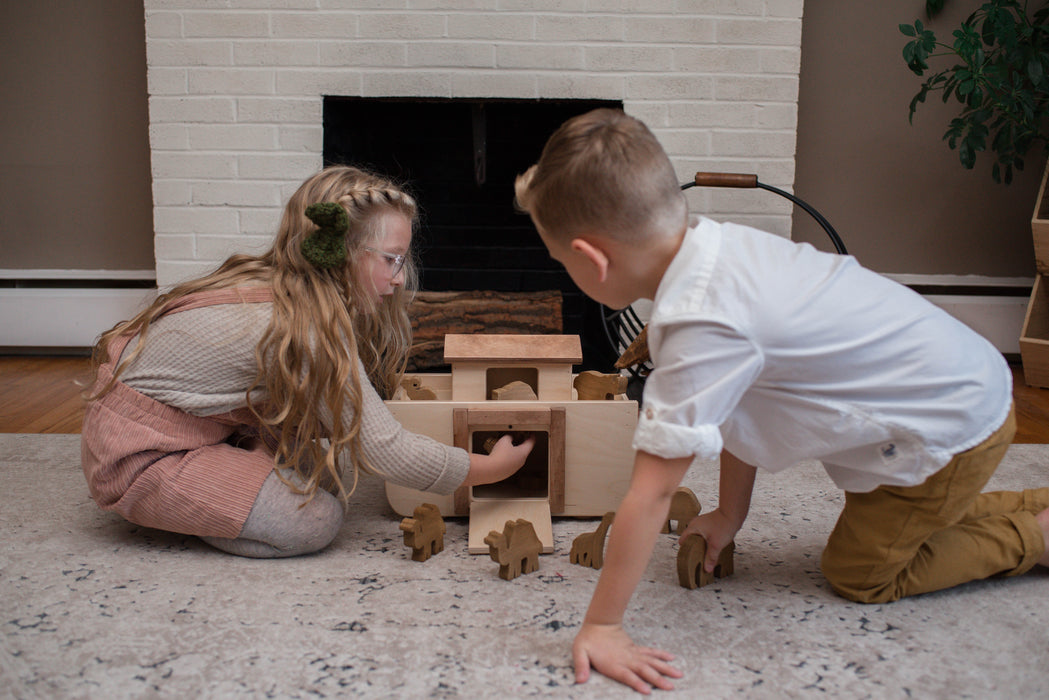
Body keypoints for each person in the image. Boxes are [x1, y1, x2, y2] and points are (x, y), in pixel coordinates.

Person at [514, 108, 1049, 694]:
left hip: (951, 425)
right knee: (911, 514)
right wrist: (731, 513)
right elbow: (740, 406)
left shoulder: (699, 324)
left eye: (563, 264)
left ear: (593, 260)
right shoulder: (715, 248)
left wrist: (603, 624)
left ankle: (1038, 537)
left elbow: (652, 492)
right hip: (957, 383)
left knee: (860, 571)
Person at [82, 165, 534, 558]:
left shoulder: (293, 289)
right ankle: (200, 507)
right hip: (142, 456)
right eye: (392, 260)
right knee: (317, 519)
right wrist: (491, 469)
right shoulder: (307, 328)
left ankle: (234, 472)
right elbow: (384, 449)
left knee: (333, 470)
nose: (399, 279)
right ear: (341, 254)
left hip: (196, 425)